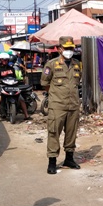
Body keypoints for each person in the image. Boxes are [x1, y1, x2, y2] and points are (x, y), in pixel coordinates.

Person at [41, 36, 82, 174]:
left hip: (73, 105)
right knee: (54, 133)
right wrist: (55, 96)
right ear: (60, 49)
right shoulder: (51, 64)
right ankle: (52, 162)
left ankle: (69, 159)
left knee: (71, 133)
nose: (69, 51)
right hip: (57, 105)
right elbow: (45, 84)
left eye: (71, 48)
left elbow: (77, 82)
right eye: (66, 48)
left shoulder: (77, 64)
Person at [0, 52, 30, 120]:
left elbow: (14, 77)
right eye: (3, 60)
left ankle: (26, 115)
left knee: (21, 99)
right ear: (0, 60)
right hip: (2, 86)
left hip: (12, 86)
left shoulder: (11, 68)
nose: (5, 61)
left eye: (6, 60)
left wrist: (19, 80)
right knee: (0, 97)